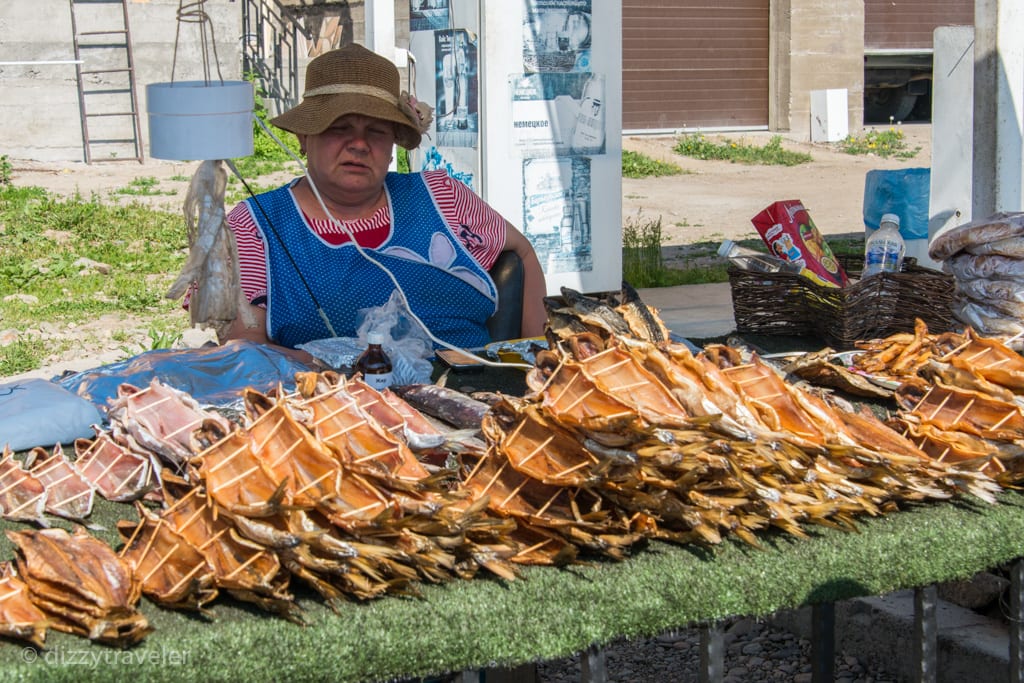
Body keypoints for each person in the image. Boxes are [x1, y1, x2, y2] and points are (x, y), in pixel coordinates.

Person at [219, 43, 547, 364]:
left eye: (376, 131)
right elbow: (245, 353)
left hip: (477, 397)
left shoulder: (443, 197)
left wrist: (542, 364)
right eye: (340, 128)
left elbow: (522, 252)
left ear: (393, 144)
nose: (359, 144)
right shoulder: (255, 225)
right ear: (304, 137)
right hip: (333, 407)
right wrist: (336, 364)